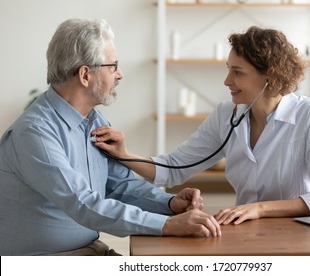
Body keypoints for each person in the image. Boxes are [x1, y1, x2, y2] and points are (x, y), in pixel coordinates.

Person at [0, 18, 221, 256]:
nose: (120, 74)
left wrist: (168, 204)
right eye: (113, 66)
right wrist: (167, 225)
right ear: (85, 75)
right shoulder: (35, 133)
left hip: (90, 251)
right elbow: (83, 203)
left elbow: (120, 185)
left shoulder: (96, 123)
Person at [92, 26, 310, 226]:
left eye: (238, 72)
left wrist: (260, 209)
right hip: (245, 230)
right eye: (228, 70)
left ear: (269, 75)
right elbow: (174, 168)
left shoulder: (309, 114)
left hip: (299, 232)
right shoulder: (226, 115)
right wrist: (124, 154)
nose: (227, 81)